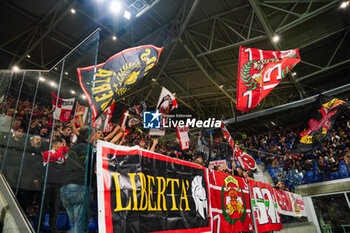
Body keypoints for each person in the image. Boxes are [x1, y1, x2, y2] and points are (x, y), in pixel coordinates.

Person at [60, 127, 90, 233]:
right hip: (78, 187)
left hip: (65, 188)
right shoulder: (88, 148)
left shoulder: (72, 148)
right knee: (79, 226)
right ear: (89, 137)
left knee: (74, 225)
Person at [42, 139, 68, 233]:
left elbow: (67, 157)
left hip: (59, 183)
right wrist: (62, 148)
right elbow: (54, 156)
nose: (61, 147)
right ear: (56, 145)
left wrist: (65, 146)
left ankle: (52, 228)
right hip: (48, 183)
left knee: (55, 207)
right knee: (44, 207)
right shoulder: (47, 153)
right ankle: (39, 227)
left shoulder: (62, 156)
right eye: (60, 145)